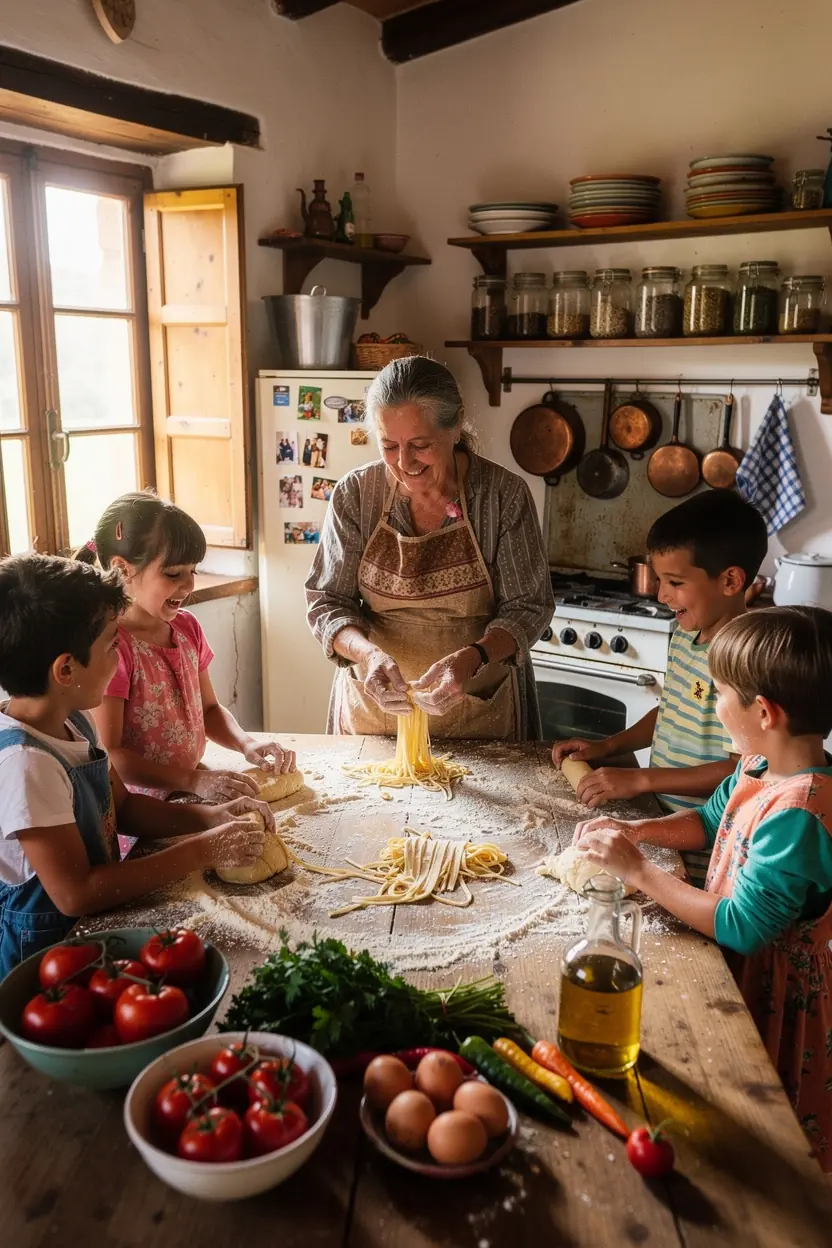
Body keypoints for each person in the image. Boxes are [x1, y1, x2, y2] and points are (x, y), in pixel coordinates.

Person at [572, 607, 832, 1172]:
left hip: (771, 991)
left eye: (718, 694)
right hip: (731, 964)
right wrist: (632, 831)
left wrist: (639, 870)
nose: (713, 707)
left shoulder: (802, 810)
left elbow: (743, 925)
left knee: (766, 1125)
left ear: (763, 711)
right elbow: (707, 824)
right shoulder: (758, 764)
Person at [0, 554, 272, 977]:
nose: (120, 652)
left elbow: (124, 808)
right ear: (66, 669)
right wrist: (201, 850)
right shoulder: (25, 764)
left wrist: (207, 817)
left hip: (93, 929)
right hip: (47, 955)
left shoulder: (71, 720)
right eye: (112, 644)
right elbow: (77, 894)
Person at [305, 356, 554, 740]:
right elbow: (328, 602)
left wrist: (474, 657)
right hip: (376, 712)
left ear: (455, 427)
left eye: (420, 445)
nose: (404, 463)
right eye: (389, 445)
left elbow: (529, 607)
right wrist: (368, 656)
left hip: (478, 707)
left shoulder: (503, 496)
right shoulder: (356, 495)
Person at [552, 491, 767, 884]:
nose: (660, 594)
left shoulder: (746, 662)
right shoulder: (687, 637)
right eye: (659, 579)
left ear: (730, 580)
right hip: (663, 821)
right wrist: (608, 747)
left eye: (675, 582)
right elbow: (669, 712)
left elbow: (741, 769)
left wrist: (642, 779)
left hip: (708, 842)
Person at [83, 492, 296, 809]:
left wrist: (246, 743)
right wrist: (192, 781)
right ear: (122, 569)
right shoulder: (113, 647)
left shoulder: (187, 628)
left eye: (193, 571)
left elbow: (209, 710)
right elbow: (113, 755)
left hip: (192, 784)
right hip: (141, 805)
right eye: (173, 574)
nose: (189, 585)